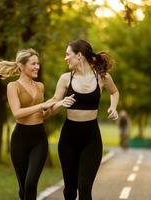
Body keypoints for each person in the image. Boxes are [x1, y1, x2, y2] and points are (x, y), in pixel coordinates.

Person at [51, 39, 119, 200]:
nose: (65, 58)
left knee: (84, 189)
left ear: (79, 55)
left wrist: (113, 107)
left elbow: (114, 92)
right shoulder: (65, 79)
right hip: (68, 139)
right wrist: (60, 103)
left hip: (91, 140)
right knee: (70, 191)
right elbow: (52, 107)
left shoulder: (102, 77)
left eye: (68, 54)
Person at [0, 48, 55, 200]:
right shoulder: (13, 86)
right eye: (33, 63)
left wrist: (56, 106)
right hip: (20, 140)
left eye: (38, 63)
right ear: (21, 66)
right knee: (24, 187)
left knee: (31, 183)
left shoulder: (40, 86)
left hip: (39, 139)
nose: (37, 66)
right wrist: (41, 106)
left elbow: (42, 115)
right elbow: (17, 113)